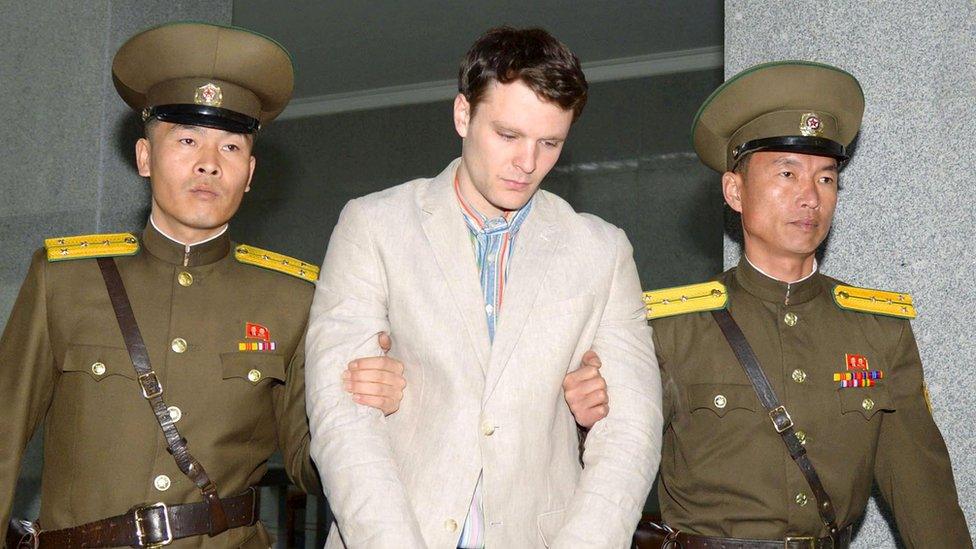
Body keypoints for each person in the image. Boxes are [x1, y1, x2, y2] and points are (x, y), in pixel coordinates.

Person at [0, 21, 407, 548]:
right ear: (146, 158)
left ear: (251, 171)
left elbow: (316, 462)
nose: (209, 164)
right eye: (187, 139)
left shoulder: (293, 299)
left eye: (231, 148)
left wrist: (375, 409)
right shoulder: (64, 280)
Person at [305, 26, 661, 548]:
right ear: (463, 115)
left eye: (550, 143)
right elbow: (342, 422)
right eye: (508, 135)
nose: (527, 162)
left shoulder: (602, 251)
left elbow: (632, 433)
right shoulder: (373, 225)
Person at [636, 60, 972, 547]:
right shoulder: (672, 329)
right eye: (787, 173)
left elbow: (927, 500)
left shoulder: (879, 331)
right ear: (735, 190)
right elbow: (609, 469)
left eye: (826, 178)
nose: (810, 197)